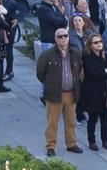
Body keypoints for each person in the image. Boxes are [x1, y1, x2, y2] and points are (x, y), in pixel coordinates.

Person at [36, 27, 84, 156]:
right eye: (60, 36)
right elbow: (40, 74)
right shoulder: (47, 55)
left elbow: (79, 70)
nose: (63, 39)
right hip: (54, 94)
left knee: (70, 121)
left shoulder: (75, 53)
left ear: (69, 37)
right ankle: (50, 146)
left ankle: (71, 144)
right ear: (55, 39)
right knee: (52, 122)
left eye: (65, 36)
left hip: (71, 93)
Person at [78, 33, 107, 151]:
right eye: (96, 42)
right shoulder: (86, 57)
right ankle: (92, 141)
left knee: (105, 118)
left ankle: (105, 140)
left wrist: (103, 73)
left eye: (100, 42)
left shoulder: (105, 56)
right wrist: (103, 72)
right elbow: (91, 73)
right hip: (92, 91)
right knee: (93, 118)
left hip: (104, 91)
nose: (99, 44)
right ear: (90, 45)